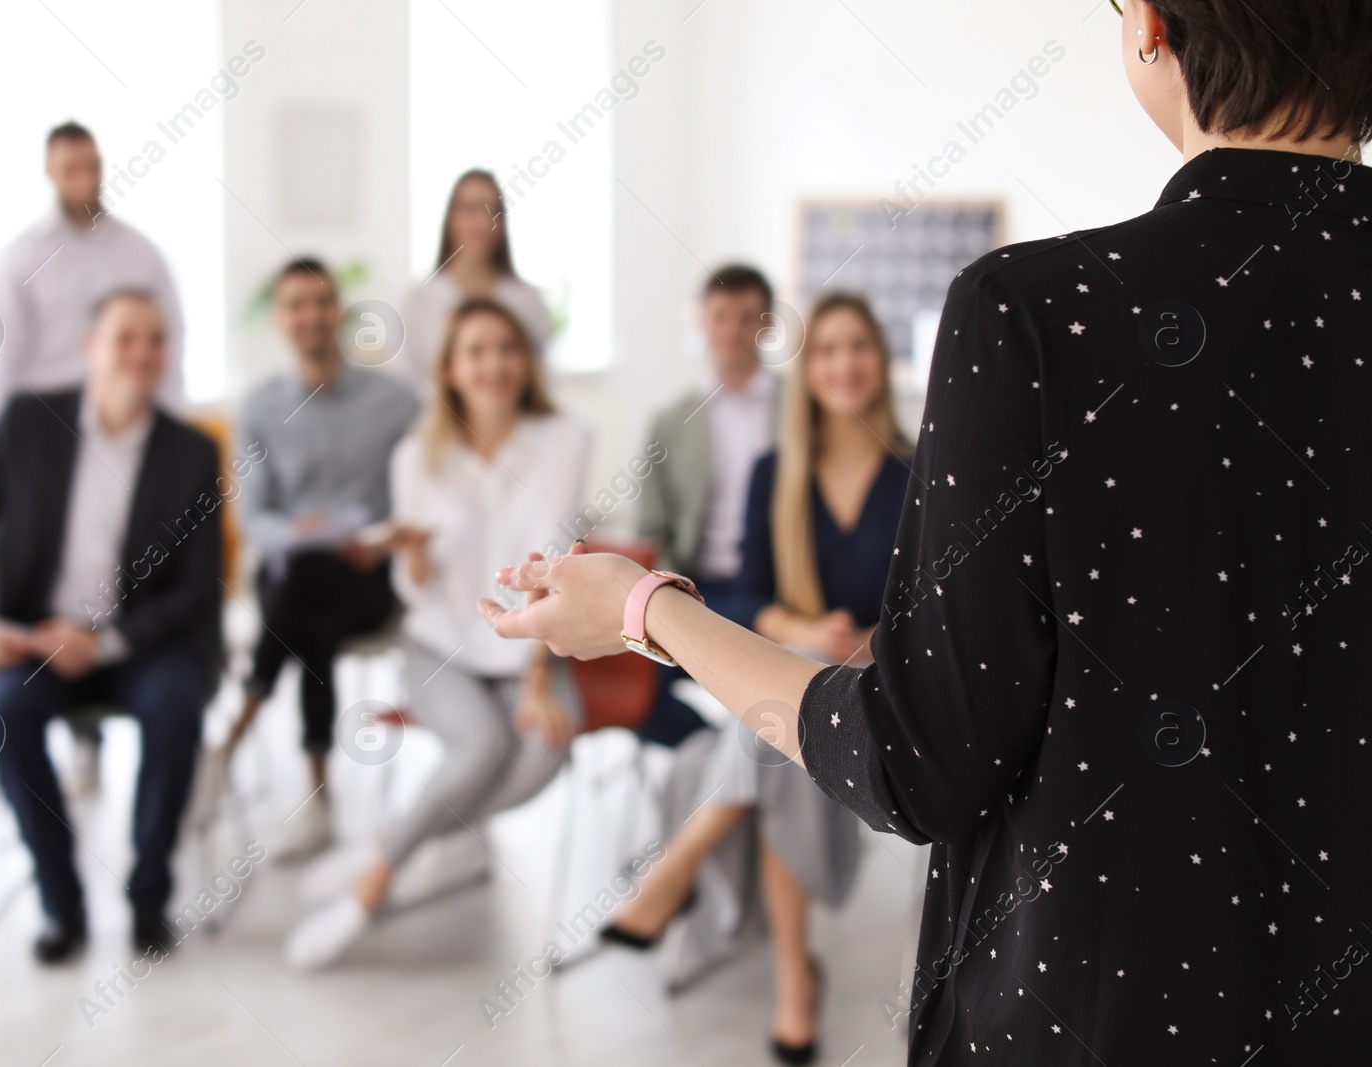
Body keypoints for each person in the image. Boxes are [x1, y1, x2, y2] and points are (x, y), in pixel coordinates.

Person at [480, 2, 1372, 1062]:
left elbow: (914, 758)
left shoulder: (1042, 312)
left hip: (1099, 1008)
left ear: (1147, 25)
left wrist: (641, 609)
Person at [601, 294, 910, 1063]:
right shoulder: (779, 471)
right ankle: (793, 980)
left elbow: (939, 606)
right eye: (828, 350)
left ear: (880, 361)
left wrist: (864, 641)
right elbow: (752, 602)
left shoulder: (918, 468)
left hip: (885, 680)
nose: (843, 364)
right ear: (809, 370)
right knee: (782, 732)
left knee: (775, 721)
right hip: (799, 671)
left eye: (858, 347)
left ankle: (681, 862)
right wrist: (805, 633)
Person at [284, 297, 590, 969]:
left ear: (526, 361)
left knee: (547, 748)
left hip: (526, 641)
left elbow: (556, 558)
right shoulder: (415, 456)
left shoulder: (565, 440)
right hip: (439, 642)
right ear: (449, 367)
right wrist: (415, 562)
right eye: (475, 351)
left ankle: (391, 836)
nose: (493, 364)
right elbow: (413, 591)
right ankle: (370, 890)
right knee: (480, 742)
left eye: (506, 348)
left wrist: (539, 677)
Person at [0, 290, 221, 964]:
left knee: (178, 706)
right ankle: (62, 904)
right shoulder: (29, 423)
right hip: (35, 637)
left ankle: (149, 897)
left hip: (139, 642)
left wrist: (104, 642)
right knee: (3, 711)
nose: (141, 354)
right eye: (125, 338)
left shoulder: (191, 453)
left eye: (155, 339)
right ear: (90, 347)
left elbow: (201, 588)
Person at [0, 120, 188, 791]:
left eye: (92, 165)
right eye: (70, 167)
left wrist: (171, 454)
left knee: (116, 572)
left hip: (126, 436)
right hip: (41, 447)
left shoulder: (140, 255)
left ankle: (95, 714)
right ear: (50, 171)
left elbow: (169, 351)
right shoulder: (20, 257)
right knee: (47, 576)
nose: (83, 178)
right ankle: (56, 709)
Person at [222, 257, 421, 857]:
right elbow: (251, 516)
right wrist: (295, 532)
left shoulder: (396, 402)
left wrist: (380, 541)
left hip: (369, 577)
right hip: (293, 572)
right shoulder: (256, 408)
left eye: (320, 302)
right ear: (280, 319)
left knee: (311, 600)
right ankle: (316, 791)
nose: (310, 316)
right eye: (296, 305)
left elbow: (422, 497)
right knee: (310, 589)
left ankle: (244, 727)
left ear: (338, 312)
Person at [636, 265, 782, 743]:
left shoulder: (802, 409)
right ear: (701, 322)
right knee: (634, 684)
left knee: (784, 690)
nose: (732, 331)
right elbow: (652, 532)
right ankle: (718, 760)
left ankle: (739, 770)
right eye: (720, 316)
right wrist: (670, 600)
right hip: (698, 592)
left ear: (767, 325)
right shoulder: (671, 422)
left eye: (747, 317)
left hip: (778, 595)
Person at [397, 170, 553, 387]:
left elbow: (541, 380)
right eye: (470, 209)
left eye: (494, 211)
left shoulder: (528, 300)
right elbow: (407, 382)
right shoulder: (418, 298)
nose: (483, 221)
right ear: (451, 218)